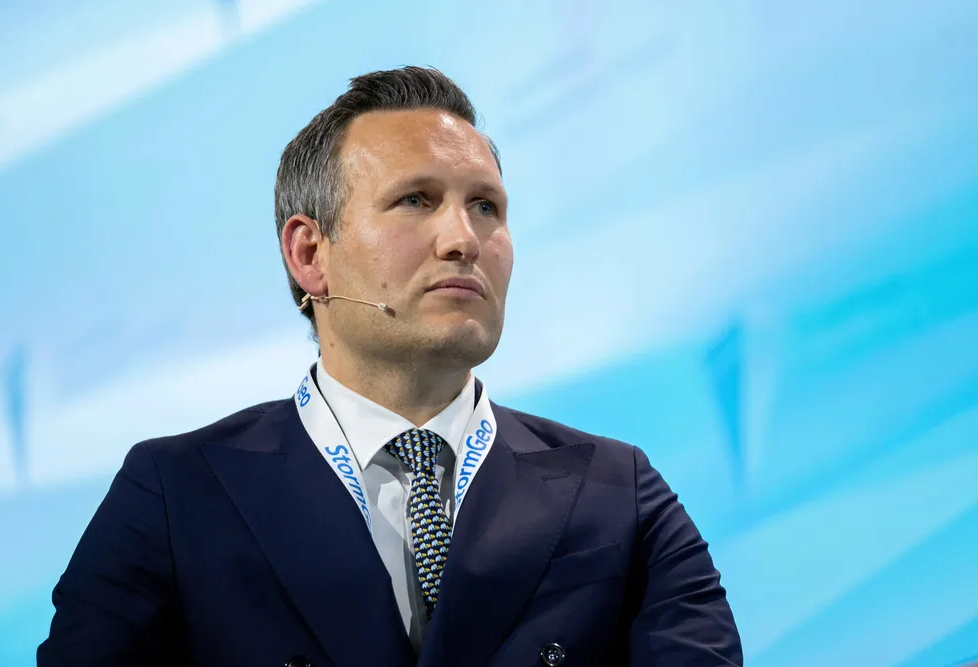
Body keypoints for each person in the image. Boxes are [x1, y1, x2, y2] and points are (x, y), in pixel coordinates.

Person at [38, 66, 742, 667]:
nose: (464, 239)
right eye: (415, 200)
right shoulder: (177, 493)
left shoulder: (618, 491)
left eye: (486, 207)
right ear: (309, 254)